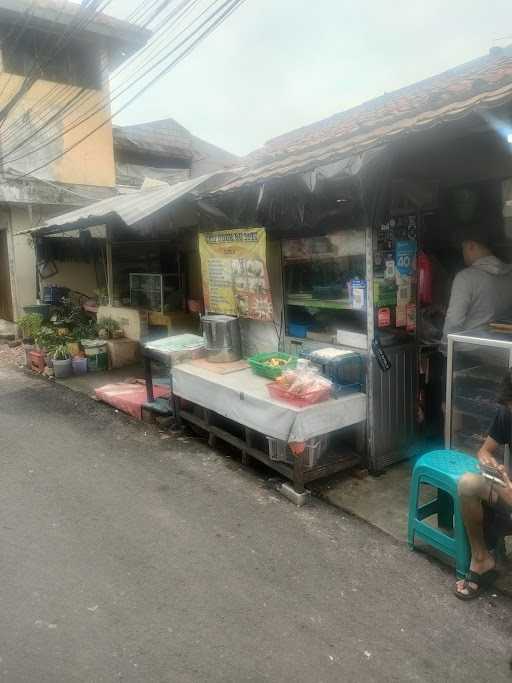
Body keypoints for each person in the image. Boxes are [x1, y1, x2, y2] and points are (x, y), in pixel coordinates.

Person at [455, 371, 512, 599]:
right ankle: (482, 559)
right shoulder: (506, 413)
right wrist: (490, 462)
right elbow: (485, 450)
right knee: (467, 484)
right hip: (507, 491)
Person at [443, 230, 512, 342]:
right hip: (503, 350)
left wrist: (445, 347)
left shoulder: (466, 277)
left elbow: (454, 322)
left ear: (471, 246)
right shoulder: (509, 274)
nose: (463, 254)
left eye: (463, 249)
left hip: (470, 351)